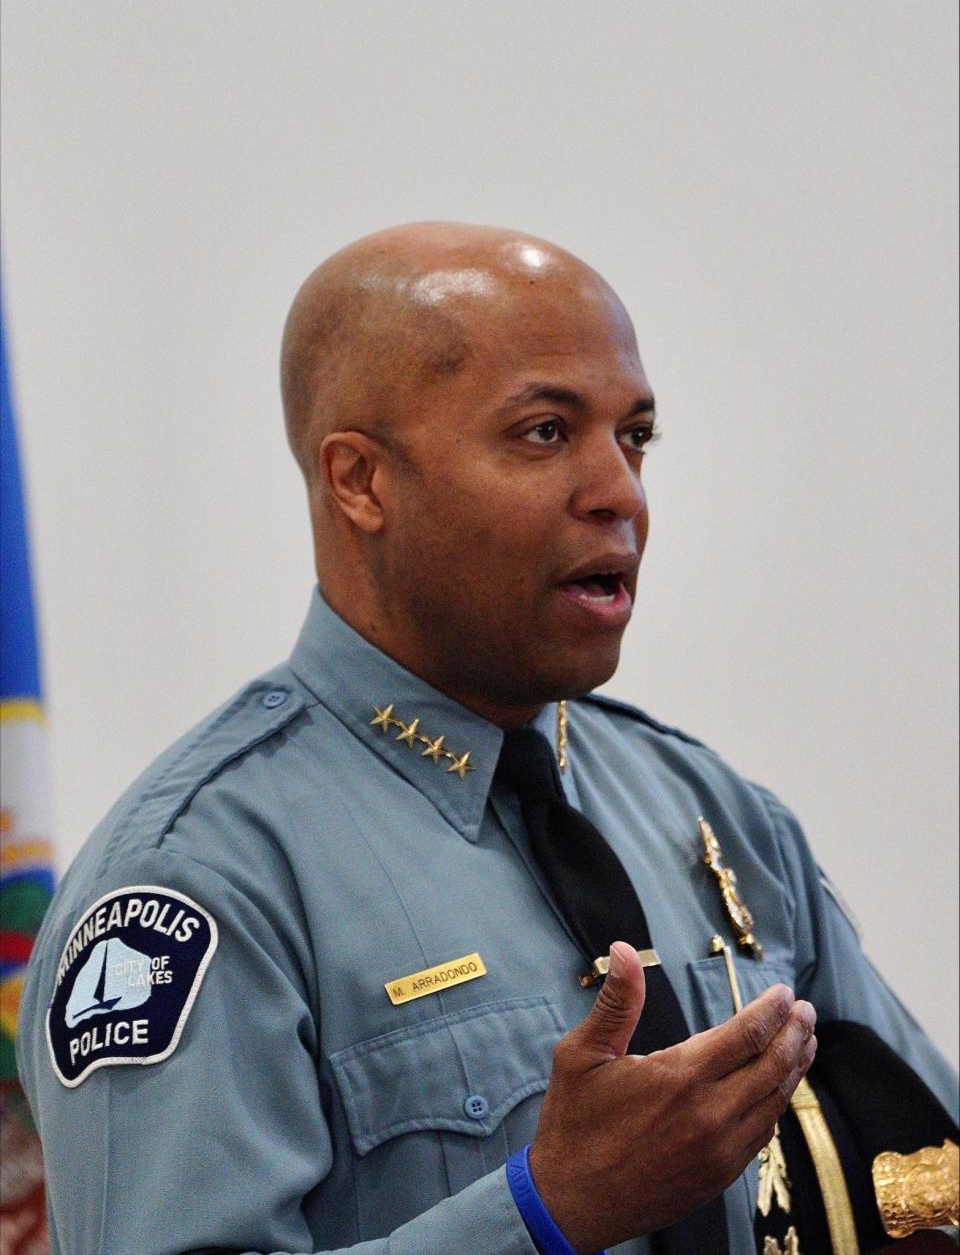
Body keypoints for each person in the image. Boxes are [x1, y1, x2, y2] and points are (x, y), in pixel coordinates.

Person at [16, 223, 957, 1255]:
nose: (620, 492)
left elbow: (927, 1172)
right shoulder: (199, 883)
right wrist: (544, 1213)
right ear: (359, 481)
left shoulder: (718, 816)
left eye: (633, 436)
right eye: (546, 433)